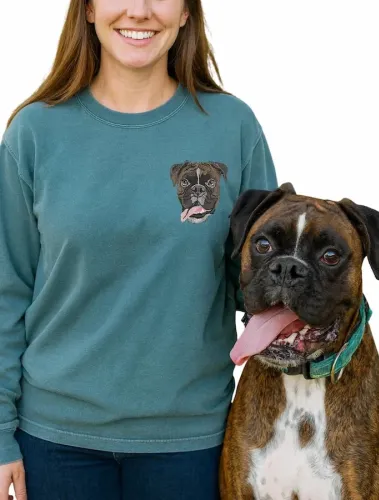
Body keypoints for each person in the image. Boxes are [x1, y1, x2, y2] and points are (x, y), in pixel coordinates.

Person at [0, 0, 278, 499]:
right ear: (88, 9)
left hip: (193, 441)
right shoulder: (35, 132)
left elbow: (262, 288)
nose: (140, 10)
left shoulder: (232, 126)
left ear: (186, 12)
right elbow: (5, 289)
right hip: (54, 439)